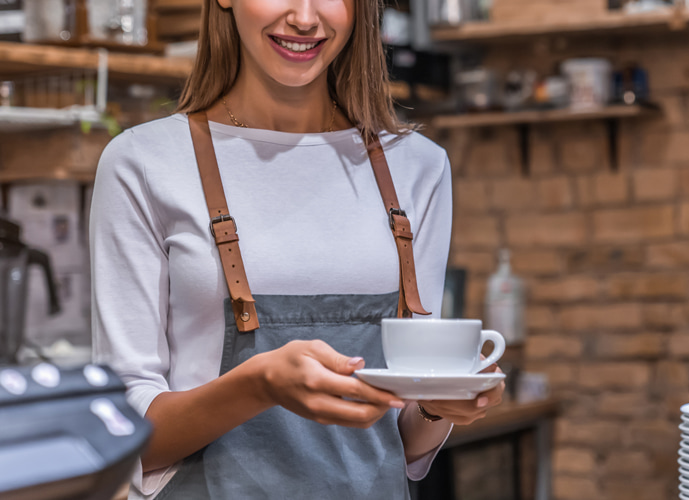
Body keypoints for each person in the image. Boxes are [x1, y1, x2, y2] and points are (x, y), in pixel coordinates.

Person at [90, 0, 505, 499]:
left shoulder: (418, 167)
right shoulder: (143, 163)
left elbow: (405, 441)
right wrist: (257, 385)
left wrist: (442, 405)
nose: (305, 19)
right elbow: (120, 437)